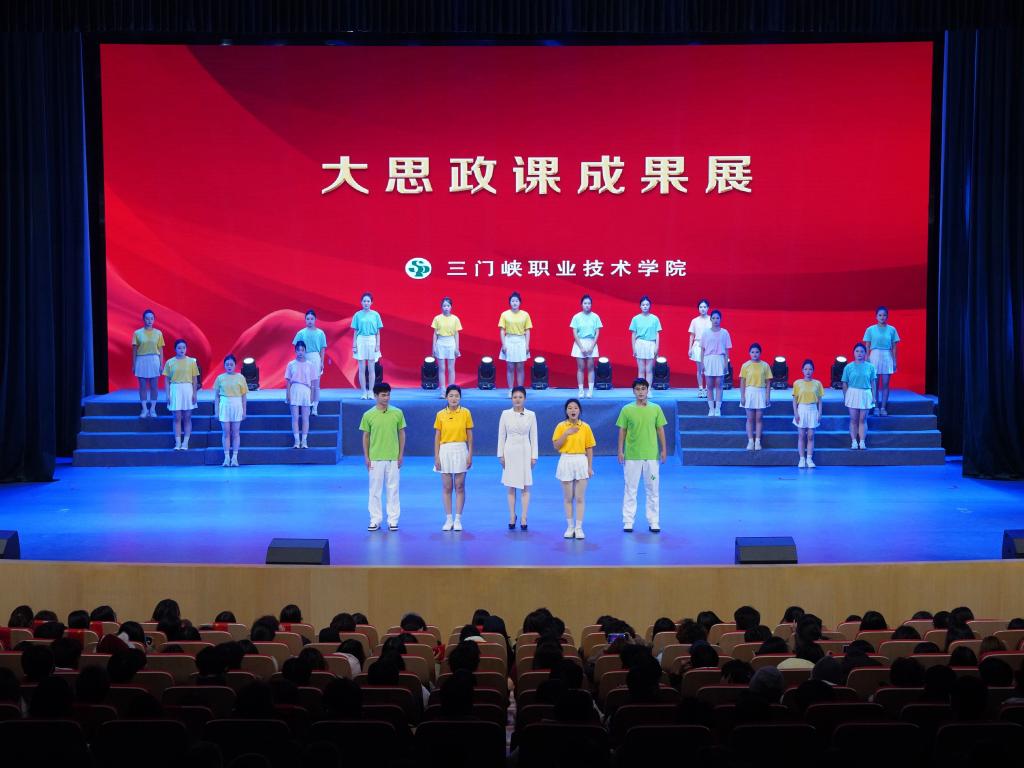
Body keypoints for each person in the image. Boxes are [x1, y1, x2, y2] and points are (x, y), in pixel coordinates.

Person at [616, 378, 668, 533]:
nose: (640, 392)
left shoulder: (656, 409)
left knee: (653, 489)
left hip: (651, 456)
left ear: (647, 390)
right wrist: (620, 450)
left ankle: (654, 521)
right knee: (630, 489)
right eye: (637, 389)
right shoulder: (626, 410)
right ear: (633, 391)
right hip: (632, 456)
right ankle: (628, 521)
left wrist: (664, 450)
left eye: (643, 389)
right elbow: (622, 430)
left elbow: (660, 429)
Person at [359, 382, 406, 532]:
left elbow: (401, 434)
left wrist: (400, 455)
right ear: (375, 396)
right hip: (375, 458)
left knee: (393, 490)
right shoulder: (368, 415)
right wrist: (367, 457)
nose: (386, 398)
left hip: (393, 458)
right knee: (374, 490)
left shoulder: (397, 413)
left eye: (388, 395)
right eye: (383, 395)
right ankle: (375, 520)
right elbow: (366, 436)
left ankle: (393, 520)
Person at [553, 398, 596, 540]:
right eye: (570, 408)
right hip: (566, 460)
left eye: (575, 408)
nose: (573, 410)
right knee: (568, 498)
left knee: (579, 497)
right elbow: (556, 446)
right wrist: (566, 433)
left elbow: (589, 448)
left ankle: (579, 528)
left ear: (579, 411)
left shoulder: (586, 427)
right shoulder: (561, 426)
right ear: (566, 411)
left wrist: (589, 467)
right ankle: (570, 527)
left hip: (581, 461)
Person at [497, 386, 538, 530]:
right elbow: (501, 435)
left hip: (525, 451)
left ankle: (524, 516)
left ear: (524, 399)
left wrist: (534, 456)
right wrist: (500, 455)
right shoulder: (505, 414)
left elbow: (534, 436)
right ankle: (512, 515)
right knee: (511, 485)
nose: (517, 400)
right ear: (511, 399)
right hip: (510, 451)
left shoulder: (531, 415)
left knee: (525, 485)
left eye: (520, 397)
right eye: (515, 397)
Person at [434, 384, 473, 531]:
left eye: (456, 396)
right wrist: (436, 456)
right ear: (446, 397)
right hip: (445, 450)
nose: (454, 398)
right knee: (447, 487)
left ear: (460, 397)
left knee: (460, 486)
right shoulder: (440, 414)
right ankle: (448, 519)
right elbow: (437, 437)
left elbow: (470, 436)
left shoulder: (466, 413)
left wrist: (470, 454)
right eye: (451, 395)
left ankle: (458, 519)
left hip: (461, 449)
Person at [161, 339, 199, 450]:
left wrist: (194, 393)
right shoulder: (170, 362)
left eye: (183, 348)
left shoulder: (191, 362)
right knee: (177, 417)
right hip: (175, 389)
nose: (182, 350)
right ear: (175, 349)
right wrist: (167, 394)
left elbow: (195, 379)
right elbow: (166, 380)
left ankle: (185, 442)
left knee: (187, 417)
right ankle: (177, 443)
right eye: (179, 348)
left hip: (187, 389)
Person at [863, 306, 900, 416]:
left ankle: (883, 408)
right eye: (880, 315)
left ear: (887, 316)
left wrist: (894, 361)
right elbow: (867, 345)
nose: (882, 317)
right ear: (876, 316)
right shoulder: (870, 329)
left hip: (887, 356)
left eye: (884, 315)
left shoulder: (892, 329)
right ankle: (876, 407)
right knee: (874, 383)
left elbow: (894, 347)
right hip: (874, 355)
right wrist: (867, 359)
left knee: (885, 384)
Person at [213, 354, 247, 467]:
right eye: (227, 364)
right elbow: (216, 396)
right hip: (224, 405)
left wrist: (244, 411)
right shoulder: (220, 378)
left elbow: (244, 396)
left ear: (235, 365)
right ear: (224, 365)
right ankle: (226, 458)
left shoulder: (241, 377)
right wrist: (216, 411)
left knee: (236, 432)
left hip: (237, 405)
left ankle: (235, 458)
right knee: (226, 432)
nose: (229, 366)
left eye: (231, 364)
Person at [842, 342, 877, 449]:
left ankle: (862, 441)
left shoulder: (870, 367)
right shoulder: (848, 367)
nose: (859, 353)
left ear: (865, 353)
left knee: (863, 419)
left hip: (865, 394)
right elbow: (844, 383)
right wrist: (846, 396)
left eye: (862, 351)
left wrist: (874, 396)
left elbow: (873, 382)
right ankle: (853, 441)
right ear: (854, 353)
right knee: (853, 419)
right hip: (852, 393)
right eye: (857, 351)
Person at [293, 309, 328, 416]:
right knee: (305, 383)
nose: (310, 321)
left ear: (315, 319)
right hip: (304, 358)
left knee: (316, 384)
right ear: (305, 320)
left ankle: (315, 407)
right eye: (308, 319)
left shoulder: (320, 333)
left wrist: (322, 361)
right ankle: (306, 405)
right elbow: (296, 348)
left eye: (312, 319)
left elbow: (322, 349)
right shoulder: (301, 333)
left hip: (315, 358)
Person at [131, 309, 165, 417]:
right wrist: (134, 364)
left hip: (154, 359)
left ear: (154, 320)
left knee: (154, 386)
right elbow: (134, 350)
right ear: (143, 319)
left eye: (151, 318)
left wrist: (161, 364)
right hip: (141, 360)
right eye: (147, 318)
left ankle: (153, 409)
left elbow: (160, 349)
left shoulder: (158, 333)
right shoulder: (137, 333)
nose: (149, 321)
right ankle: (144, 409)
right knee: (142, 386)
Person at [792, 359, 825, 468]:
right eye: (806, 369)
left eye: (810, 369)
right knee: (801, 436)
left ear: (813, 370)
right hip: (801, 409)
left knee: (810, 436)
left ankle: (809, 459)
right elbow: (794, 400)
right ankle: (802, 459)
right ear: (802, 370)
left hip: (813, 410)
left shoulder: (817, 384)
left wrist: (820, 413)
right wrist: (796, 413)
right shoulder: (797, 383)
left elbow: (820, 400)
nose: (808, 371)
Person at [739, 342, 772, 450]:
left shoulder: (765, 365)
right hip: (749, 393)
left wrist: (767, 396)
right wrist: (742, 396)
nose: (755, 354)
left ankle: (758, 441)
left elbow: (768, 383)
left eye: (757, 352)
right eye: (752, 352)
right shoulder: (745, 365)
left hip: (761, 393)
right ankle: (750, 441)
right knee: (749, 418)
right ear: (749, 353)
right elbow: (742, 382)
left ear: (760, 353)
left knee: (759, 418)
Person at [498, 292, 532, 394]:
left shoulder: (525, 314)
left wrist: (527, 345)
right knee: (510, 366)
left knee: (520, 366)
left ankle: (520, 390)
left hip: (521, 340)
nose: (514, 303)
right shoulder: (504, 314)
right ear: (510, 302)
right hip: (509, 340)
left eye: (516, 301)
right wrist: (503, 344)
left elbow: (527, 330)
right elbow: (502, 330)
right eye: (512, 301)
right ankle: (511, 390)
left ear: (520, 302)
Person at [285, 340, 316, 449]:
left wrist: (312, 395)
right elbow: (288, 381)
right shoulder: (291, 364)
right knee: (295, 417)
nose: (300, 352)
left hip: (306, 391)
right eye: (298, 350)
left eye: (302, 350)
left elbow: (313, 382)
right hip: (294, 390)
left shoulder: (310, 365)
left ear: (305, 351)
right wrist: (288, 394)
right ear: (295, 351)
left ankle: (304, 441)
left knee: (305, 418)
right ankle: (297, 441)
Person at [351, 292, 383, 399]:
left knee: (371, 368)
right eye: (364, 301)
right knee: (361, 369)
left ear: (371, 302)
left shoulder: (375, 315)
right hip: (360, 340)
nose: (366, 303)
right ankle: (364, 392)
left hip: (372, 340)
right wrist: (354, 345)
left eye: (368, 301)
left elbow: (378, 332)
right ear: (361, 302)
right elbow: (355, 331)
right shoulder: (357, 315)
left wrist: (378, 345)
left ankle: (371, 391)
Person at [569, 295, 602, 398]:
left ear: (591, 305)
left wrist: (592, 346)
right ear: (581, 304)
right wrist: (581, 347)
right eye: (585, 303)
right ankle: (581, 391)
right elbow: (575, 333)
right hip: (580, 343)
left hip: (591, 342)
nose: (587, 305)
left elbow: (597, 332)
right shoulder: (576, 317)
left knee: (591, 367)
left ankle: (590, 391)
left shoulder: (595, 317)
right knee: (580, 368)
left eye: (589, 303)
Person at [700, 310, 732, 416]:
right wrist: (702, 363)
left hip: (720, 359)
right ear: (710, 319)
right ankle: (711, 409)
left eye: (717, 318)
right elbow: (702, 350)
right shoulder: (706, 332)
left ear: (720, 319)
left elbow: (727, 350)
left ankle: (718, 408)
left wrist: (726, 364)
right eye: (713, 318)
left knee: (719, 385)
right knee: (709, 386)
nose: (715, 320)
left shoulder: (725, 333)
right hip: (708, 359)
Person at [431, 297, 462, 396]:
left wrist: (457, 348)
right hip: (440, 342)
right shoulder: (437, 318)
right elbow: (435, 334)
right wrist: (433, 347)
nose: (446, 308)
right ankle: (443, 390)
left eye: (448, 306)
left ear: (451, 307)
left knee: (451, 368)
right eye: (444, 306)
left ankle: (451, 390)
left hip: (451, 342)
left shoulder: (455, 319)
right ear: (441, 307)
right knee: (442, 368)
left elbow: (456, 334)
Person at [629, 296, 662, 384]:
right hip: (639, 344)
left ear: (650, 306)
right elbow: (633, 334)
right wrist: (634, 348)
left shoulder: (655, 319)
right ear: (640, 306)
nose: (645, 306)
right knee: (641, 369)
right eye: (643, 305)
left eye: (647, 305)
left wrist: (657, 347)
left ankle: (648, 389)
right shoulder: (635, 319)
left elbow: (657, 334)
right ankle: (642, 389)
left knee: (649, 370)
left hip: (651, 344)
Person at [687, 299, 712, 399]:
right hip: (697, 344)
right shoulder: (694, 321)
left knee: (708, 369)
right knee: (699, 369)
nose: (703, 309)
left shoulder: (711, 319)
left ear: (708, 308)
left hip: (709, 345)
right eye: (701, 307)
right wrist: (690, 349)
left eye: (705, 307)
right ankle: (701, 389)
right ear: (698, 308)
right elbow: (691, 335)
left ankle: (708, 389)